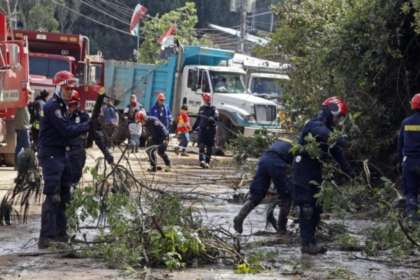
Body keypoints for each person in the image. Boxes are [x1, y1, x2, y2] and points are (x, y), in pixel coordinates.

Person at [36, 70, 98, 249]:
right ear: (58, 86)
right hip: (51, 154)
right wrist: (87, 125)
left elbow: (69, 129)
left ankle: (60, 233)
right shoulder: (53, 107)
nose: (70, 92)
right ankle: (46, 236)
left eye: (72, 89)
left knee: (65, 194)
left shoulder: (62, 105)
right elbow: (66, 130)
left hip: (60, 153)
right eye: (67, 88)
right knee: (52, 195)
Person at [293, 97, 356, 255]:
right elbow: (325, 135)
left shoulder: (330, 132)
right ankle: (307, 243)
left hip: (315, 170)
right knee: (306, 207)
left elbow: (337, 154)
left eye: (340, 118)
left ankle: (311, 242)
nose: (337, 121)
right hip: (303, 169)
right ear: (330, 111)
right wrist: (340, 140)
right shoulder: (314, 125)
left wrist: (351, 173)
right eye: (337, 116)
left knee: (316, 207)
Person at [233, 138, 295, 235]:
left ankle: (240, 216)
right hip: (276, 162)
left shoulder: (283, 141)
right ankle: (282, 229)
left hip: (263, 160)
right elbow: (296, 170)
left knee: (258, 193)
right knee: (286, 196)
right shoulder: (298, 148)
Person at [67, 91, 113, 185]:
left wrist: (106, 153)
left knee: (73, 182)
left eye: (71, 105)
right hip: (62, 152)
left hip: (77, 153)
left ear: (77, 104)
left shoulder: (83, 117)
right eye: (67, 105)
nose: (69, 108)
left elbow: (96, 136)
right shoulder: (61, 116)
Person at [398, 93, 420, 225]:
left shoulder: (405, 123)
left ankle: (413, 222)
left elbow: (400, 145)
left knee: (411, 193)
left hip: (409, 162)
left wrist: (401, 162)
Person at [191, 93, 219, 169]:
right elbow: (198, 120)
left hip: (210, 130)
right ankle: (202, 161)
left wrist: (212, 118)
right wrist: (192, 128)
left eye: (208, 99)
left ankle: (207, 162)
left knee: (209, 147)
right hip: (202, 130)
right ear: (203, 99)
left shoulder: (213, 109)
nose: (207, 101)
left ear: (210, 99)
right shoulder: (201, 109)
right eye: (206, 99)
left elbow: (217, 117)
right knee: (201, 145)